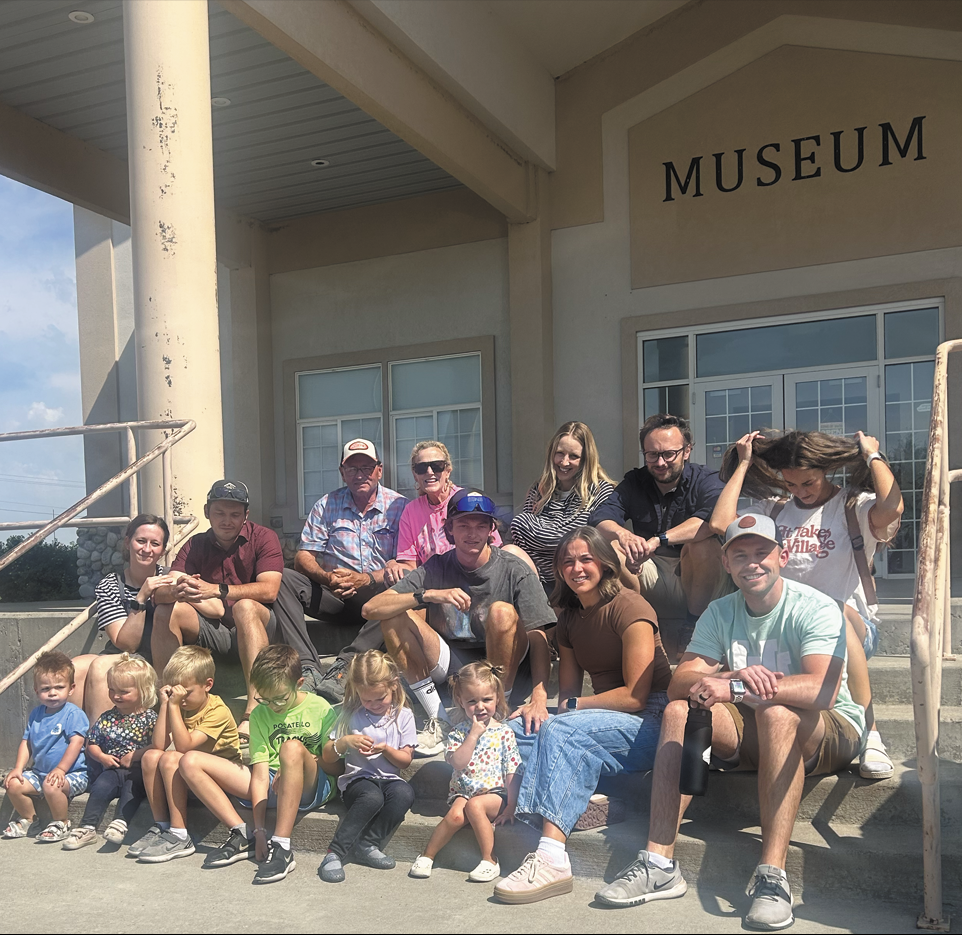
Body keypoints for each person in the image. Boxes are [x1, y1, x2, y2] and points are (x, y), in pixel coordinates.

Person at [595, 513, 865, 931]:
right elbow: (682, 681)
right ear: (726, 563)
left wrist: (737, 691)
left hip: (828, 729)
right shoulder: (721, 611)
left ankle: (773, 876)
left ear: (783, 555)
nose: (752, 563)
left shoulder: (815, 607)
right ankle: (658, 861)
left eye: (762, 553)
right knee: (678, 710)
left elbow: (822, 691)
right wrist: (729, 677)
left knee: (778, 713)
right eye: (740, 555)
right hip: (756, 729)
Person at [709, 429, 902, 780]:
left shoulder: (852, 506)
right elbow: (722, 524)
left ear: (825, 471)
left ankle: (870, 733)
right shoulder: (776, 510)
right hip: (791, 628)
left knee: (835, 610)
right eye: (792, 484)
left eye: (808, 482)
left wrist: (873, 455)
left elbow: (892, 506)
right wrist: (744, 463)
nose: (800, 491)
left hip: (852, 626)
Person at [493, 526, 671, 904]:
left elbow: (637, 697)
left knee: (560, 732)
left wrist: (567, 710)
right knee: (513, 730)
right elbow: (570, 691)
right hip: (602, 717)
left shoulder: (631, 607)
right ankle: (588, 801)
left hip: (653, 721)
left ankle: (552, 859)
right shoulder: (571, 616)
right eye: (567, 561)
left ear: (606, 563)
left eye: (586, 559)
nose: (577, 568)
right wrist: (545, 705)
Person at [362, 492, 556, 755]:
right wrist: (427, 595)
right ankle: (439, 718)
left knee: (501, 612)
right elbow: (370, 609)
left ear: (491, 529)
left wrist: (540, 696)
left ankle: (497, 712)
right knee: (395, 614)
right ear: (450, 529)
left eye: (480, 525)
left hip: (504, 669)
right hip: (452, 667)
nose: (472, 533)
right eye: (463, 525)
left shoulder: (513, 568)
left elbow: (538, 634)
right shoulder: (436, 567)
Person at [150, 480, 307, 742]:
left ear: (246, 515)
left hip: (259, 625)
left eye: (235, 514)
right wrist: (178, 590)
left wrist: (217, 590)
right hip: (214, 631)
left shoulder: (263, 537)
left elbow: (269, 590)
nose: (227, 520)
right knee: (168, 610)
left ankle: (253, 709)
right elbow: (162, 591)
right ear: (207, 512)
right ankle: (166, 703)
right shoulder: (195, 544)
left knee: (245, 607)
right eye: (220, 513)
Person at [273, 439, 407, 703]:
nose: (360, 474)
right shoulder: (326, 505)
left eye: (367, 467)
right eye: (352, 468)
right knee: (284, 579)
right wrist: (327, 577)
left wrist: (368, 578)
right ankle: (309, 668)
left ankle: (344, 667)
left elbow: (407, 562)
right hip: (335, 594)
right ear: (342, 472)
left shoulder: (400, 507)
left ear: (379, 470)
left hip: (378, 597)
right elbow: (303, 557)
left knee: (404, 585)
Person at [589, 413, 732, 656]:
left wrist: (659, 539)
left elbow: (713, 522)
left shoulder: (706, 479)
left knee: (703, 546)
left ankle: (693, 627)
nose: (660, 462)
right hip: (649, 573)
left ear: (687, 451)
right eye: (652, 454)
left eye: (669, 454)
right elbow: (600, 517)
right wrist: (624, 535)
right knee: (611, 549)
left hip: (696, 574)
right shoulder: (635, 481)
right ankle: (636, 627)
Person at [409, 661, 521, 882]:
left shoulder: (504, 733)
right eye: (472, 701)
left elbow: (512, 771)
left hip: (495, 795)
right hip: (464, 792)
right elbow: (458, 763)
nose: (480, 706)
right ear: (460, 701)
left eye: (487, 700)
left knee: (476, 806)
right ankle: (427, 855)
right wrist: (473, 736)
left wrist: (511, 806)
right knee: (456, 815)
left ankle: (490, 860)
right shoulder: (459, 733)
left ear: (497, 698)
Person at [130, 646, 241, 862]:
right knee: (151, 756)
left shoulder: (216, 710)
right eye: (174, 691)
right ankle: (162, 826)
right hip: (187, 775)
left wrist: (173, 706)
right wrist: (164, 705)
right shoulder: (177, 704)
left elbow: (184, 747)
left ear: (208, 685)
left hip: (216, 782)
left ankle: (180, 835)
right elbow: (159, 744)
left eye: (186, 693)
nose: (180, 699)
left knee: (172, 758)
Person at [318, 650, 416, 883]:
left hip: (390, 779)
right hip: (357, 780)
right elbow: (328, 756)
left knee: (404, 794)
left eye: (379, 698)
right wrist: (344, 742)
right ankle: (335, 853)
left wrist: (387, 750)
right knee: (372, 798)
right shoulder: (350, 715)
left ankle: (368, 844)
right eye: (366, 699)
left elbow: (406, 760)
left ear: (393, 685)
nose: (373, 705)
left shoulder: (404, 716)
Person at [71, 514, 175, 722]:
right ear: (128, 542)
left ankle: (103, 743)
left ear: (162, 550)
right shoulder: (109, 585)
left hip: (160, 656)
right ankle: (76, 741)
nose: (147, 549)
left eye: (155, 544)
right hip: (126, 652)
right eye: (141, 541)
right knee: (73, 669)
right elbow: (125, 643)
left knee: (102, 667)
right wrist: (142, 597)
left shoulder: (172, 577)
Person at [509, 422, 620, 594]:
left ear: (585, 459)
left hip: (578, 580)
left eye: (573, 456)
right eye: (559, 453)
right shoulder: (539, 490)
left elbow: (577, 542)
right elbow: (520, 540)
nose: (564, 462)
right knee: (509, 552)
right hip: (538, 581)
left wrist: (535, 531)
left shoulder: (601, 492)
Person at [62, 654, 158, 850]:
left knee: (132, 788)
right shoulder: (107, 717)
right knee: (100, 787)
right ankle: (87, 827)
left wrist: (136, 755)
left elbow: (158, 745)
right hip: (112, 768)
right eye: (112, 690)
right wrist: (101, 757)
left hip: (138, 769)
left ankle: (121, 823)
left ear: (143, 690)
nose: (116, 696)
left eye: (123, 691)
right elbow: (92, 743)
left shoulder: (150, 717)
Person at [383, 440, 503, 581]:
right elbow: (410, 566)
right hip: (434, 589)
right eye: (421, 468)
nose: (429, 472)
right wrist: (393, 565)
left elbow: (495, 551)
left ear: (448, 471)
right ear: (415, 475)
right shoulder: (410, 511)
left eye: (437, 466)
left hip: (476, 580)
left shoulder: (468, 500)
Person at [2, 651, 88, 843]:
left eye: (59, 687)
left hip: (72, 775)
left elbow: (77, 743)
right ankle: (30, 819)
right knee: (13, 784)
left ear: (71, 688)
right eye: (46, 688)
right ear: (36, 690)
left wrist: (61, 769)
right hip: (40, 773)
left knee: (52, 785)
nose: (52, 692)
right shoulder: (36, 714)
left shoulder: (73, 714)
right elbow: (27, 742)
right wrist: (17, 768)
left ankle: (61, 822)